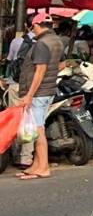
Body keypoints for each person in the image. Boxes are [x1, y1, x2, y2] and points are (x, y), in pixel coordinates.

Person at [14, 13, 63, 180]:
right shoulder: (56, 40)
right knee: (37, 129)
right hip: (47, 91)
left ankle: (43, 167)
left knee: (38, 130)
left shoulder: (42, 44)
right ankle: (36, 165)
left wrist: (28, 95)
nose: (32, 30)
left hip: (39, 93)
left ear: (37, 25)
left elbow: (40, 71)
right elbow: (57, 65)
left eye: (33, 27)